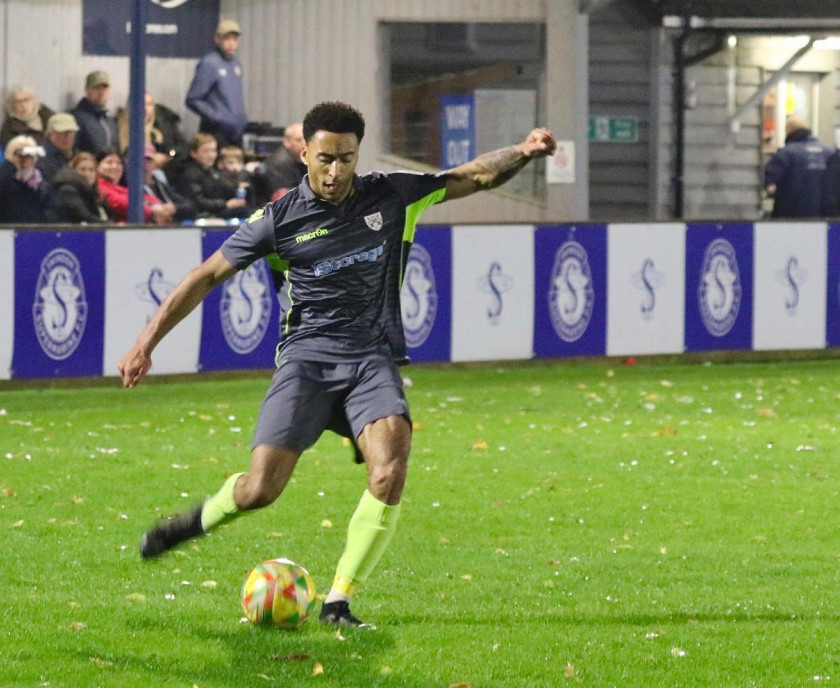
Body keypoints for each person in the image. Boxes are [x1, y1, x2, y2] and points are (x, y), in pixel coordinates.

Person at [119, 100, 556, 628]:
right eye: (324, 158)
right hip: (306, 360)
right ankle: (194, 523)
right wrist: (146, 342)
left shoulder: (391, 195)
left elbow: (473, 176)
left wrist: (525, 152)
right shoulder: (277, 221)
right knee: (260, 491)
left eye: (345, 159)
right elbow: (206, 276)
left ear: (356, 155)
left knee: (391, 467)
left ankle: (337, 602)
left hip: (371, 359)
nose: (335, 171)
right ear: (304, 153)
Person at [185, 19, 246, 148]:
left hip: (235, 131)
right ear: (217, 39)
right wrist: (218, 118)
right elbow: (193, 99)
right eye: (227, 38)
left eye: (235, 39)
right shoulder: (209, 64)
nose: (231, 43)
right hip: (216, 132)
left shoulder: (236, 64)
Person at [764, 115, 831, 218]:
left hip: (790, 216)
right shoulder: (829, 153)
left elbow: (768, 182)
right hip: (824, 217)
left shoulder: (785, 154)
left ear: (788, 130)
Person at [173, 132, 248, 219]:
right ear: (194, 153)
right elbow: (197, 201)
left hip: (215, 210)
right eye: (206, 151)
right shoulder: (190, 173)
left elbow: (224, 188)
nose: (211, 155)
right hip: (202, 214)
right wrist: (225, 204)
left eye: (213, 151)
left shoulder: (212, 171)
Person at [95, 148, 174, 225]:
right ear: (97, 166)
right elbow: (123, 204)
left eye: (118, 163)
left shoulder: (120, 188)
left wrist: (160, 207)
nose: (114, 166)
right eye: (109, 162)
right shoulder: (100, 188)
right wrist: (153, 211)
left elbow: (145, 197)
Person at [0, 135, 48, 224]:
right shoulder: (2, 180)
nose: (24, 160)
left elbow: (52, 212)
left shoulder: (41, 185)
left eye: (29, 156)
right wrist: (10, 164)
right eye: (19, 154)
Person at [46, 151, 111, 224]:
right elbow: (84, 216)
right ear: (74, 171)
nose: (87, 174)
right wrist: (111, 225)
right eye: (82, 169)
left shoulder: (97, 193)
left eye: (91, 170)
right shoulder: (68, 190)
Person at [255, 122, 306, 204]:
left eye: (307, 139)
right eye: (299, 140)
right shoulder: (278, 164)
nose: (304, 144)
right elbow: (284, 197)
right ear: (287, 142)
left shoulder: (304, 159)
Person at [71, 70, 119, 155]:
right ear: (86, 90)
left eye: (104, 88)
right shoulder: (76, 118)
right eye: (96, 88)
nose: (101, 92)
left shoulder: (109, 120)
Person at [37, 112, 79, 182]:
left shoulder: (78, 155)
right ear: (49, 133)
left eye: (71, 132)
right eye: (61, 133)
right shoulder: (40, 157)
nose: (67, 137)